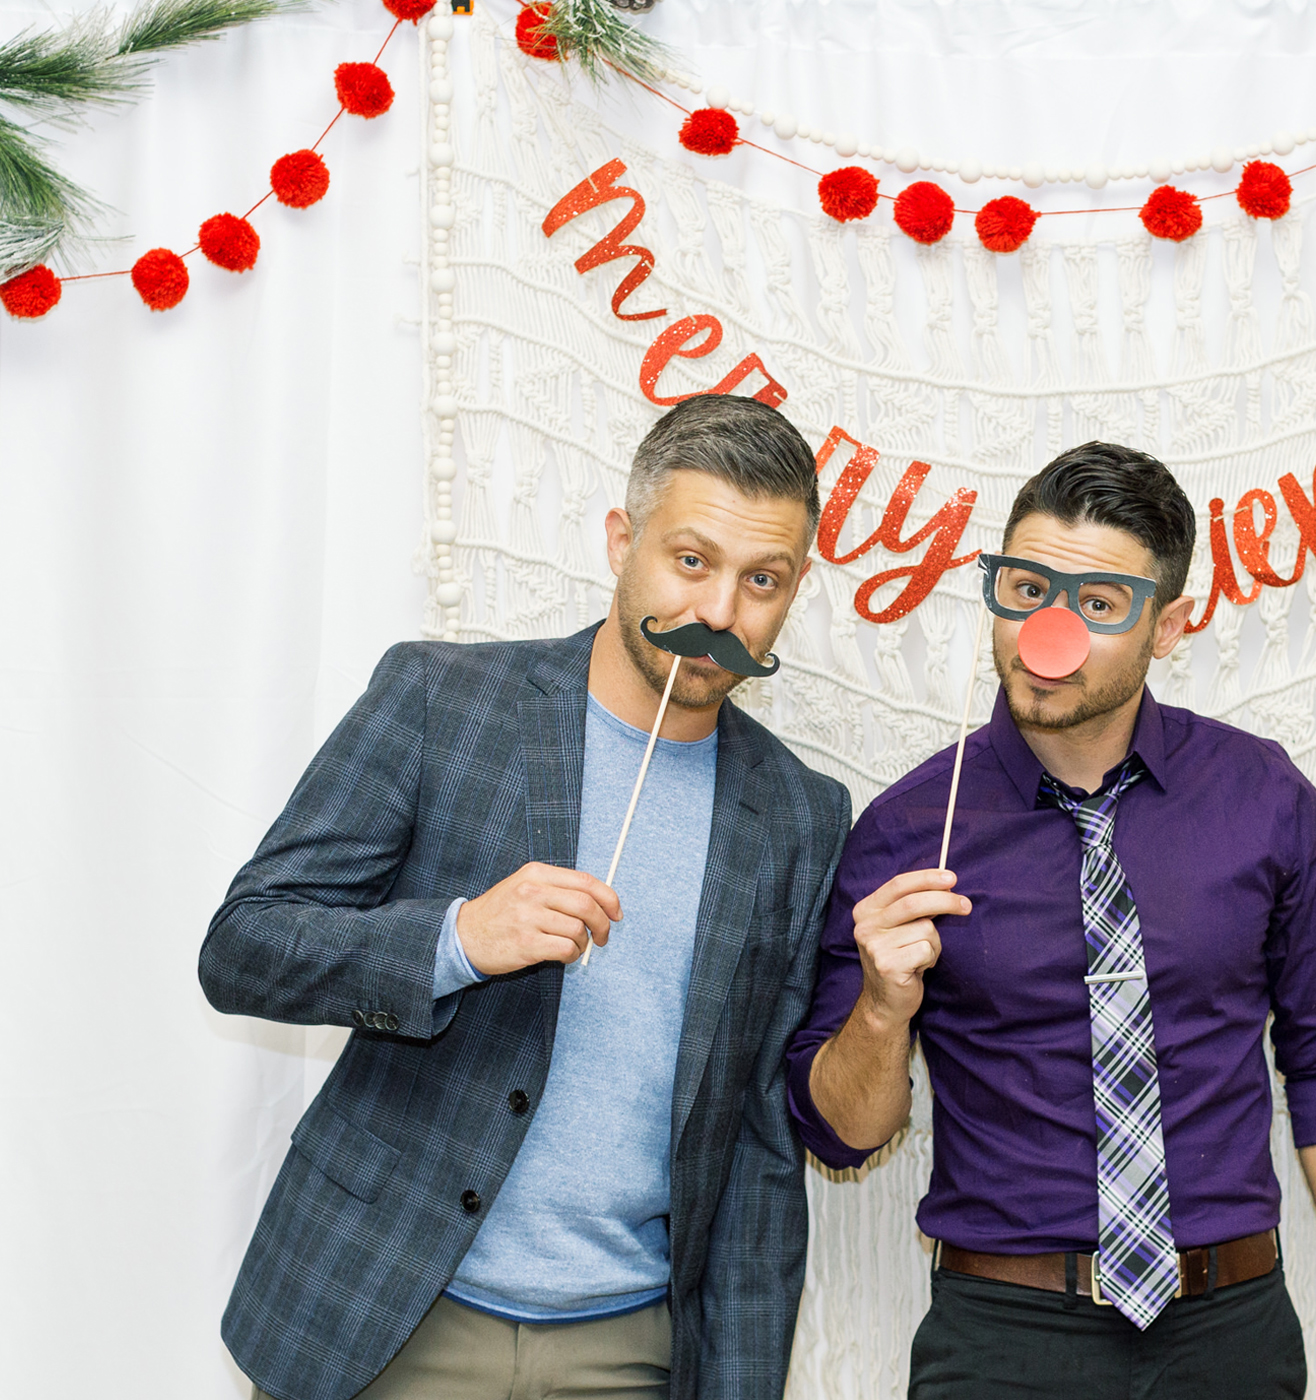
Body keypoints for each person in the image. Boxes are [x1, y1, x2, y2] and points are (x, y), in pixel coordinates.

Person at [200, 394, 850, 1400]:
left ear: (793, 589)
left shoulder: (802, 813)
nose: (720, 613)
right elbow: (244, 945)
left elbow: (759, 1133)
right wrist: (459, 938)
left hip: (628, 1345)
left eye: (759, 580)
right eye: (690, 560)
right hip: (388, 1311)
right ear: (620, 541)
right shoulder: (442, 698)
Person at [787, 442, 1316, 1400]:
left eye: (1098, 605)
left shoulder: (1265, 801)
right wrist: (880, 1008)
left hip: (1230, 1332)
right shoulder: (909, 830)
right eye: (1028, 587)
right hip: (1004, 1337)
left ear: (1169, 626)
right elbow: (842, 1137)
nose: (1049, 632)